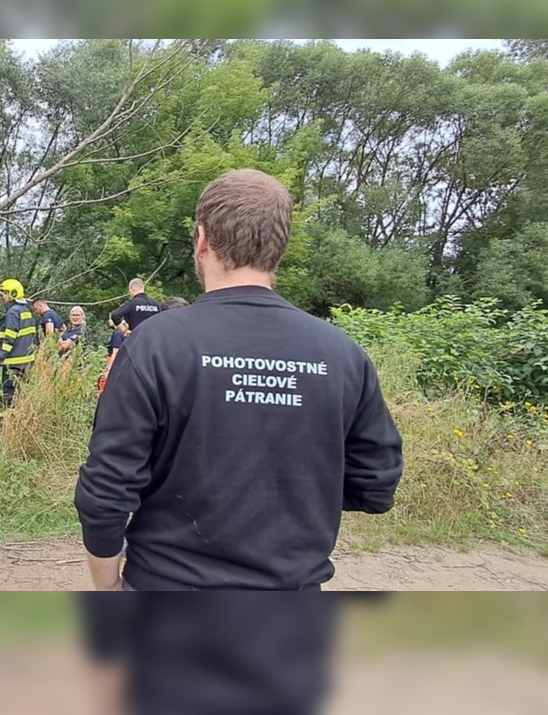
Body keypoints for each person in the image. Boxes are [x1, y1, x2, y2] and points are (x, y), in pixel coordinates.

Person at [75, 169, 404, 591]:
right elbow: (376, 485)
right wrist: (288, 490)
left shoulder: (156, 344)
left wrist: (108, 589)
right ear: (279, 247)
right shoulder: (341, 353)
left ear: (202, 240)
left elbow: (105, 493)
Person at [0, 279, 37, 407]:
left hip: (14, 361)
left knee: (11, 393)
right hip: (27, 361)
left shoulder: (12, 312)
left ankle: (12, 421)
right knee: (23, 392)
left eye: (5, 293)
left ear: (13, 294)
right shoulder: (26, 310)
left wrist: (1, 355)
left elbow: (9, 337)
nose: (3, 296)